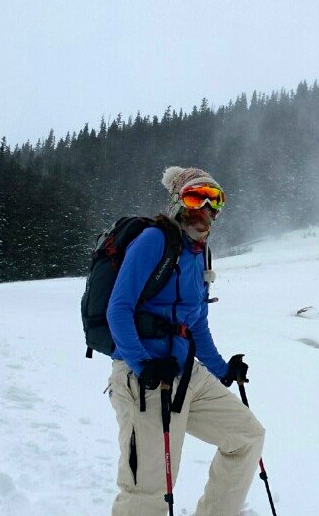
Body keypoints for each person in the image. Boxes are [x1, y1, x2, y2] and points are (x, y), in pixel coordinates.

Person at [106, 166, 264, 516]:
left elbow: (196, 324)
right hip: (143, 378)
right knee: (149, 491)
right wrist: (142, 365)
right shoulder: (153, 241)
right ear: (178, 201)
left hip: (185, 373)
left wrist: (223, 369)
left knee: (246, 437)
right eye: (196, 197)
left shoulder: (200, 254)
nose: (205, 209)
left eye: (215, 200)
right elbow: (118, 310)